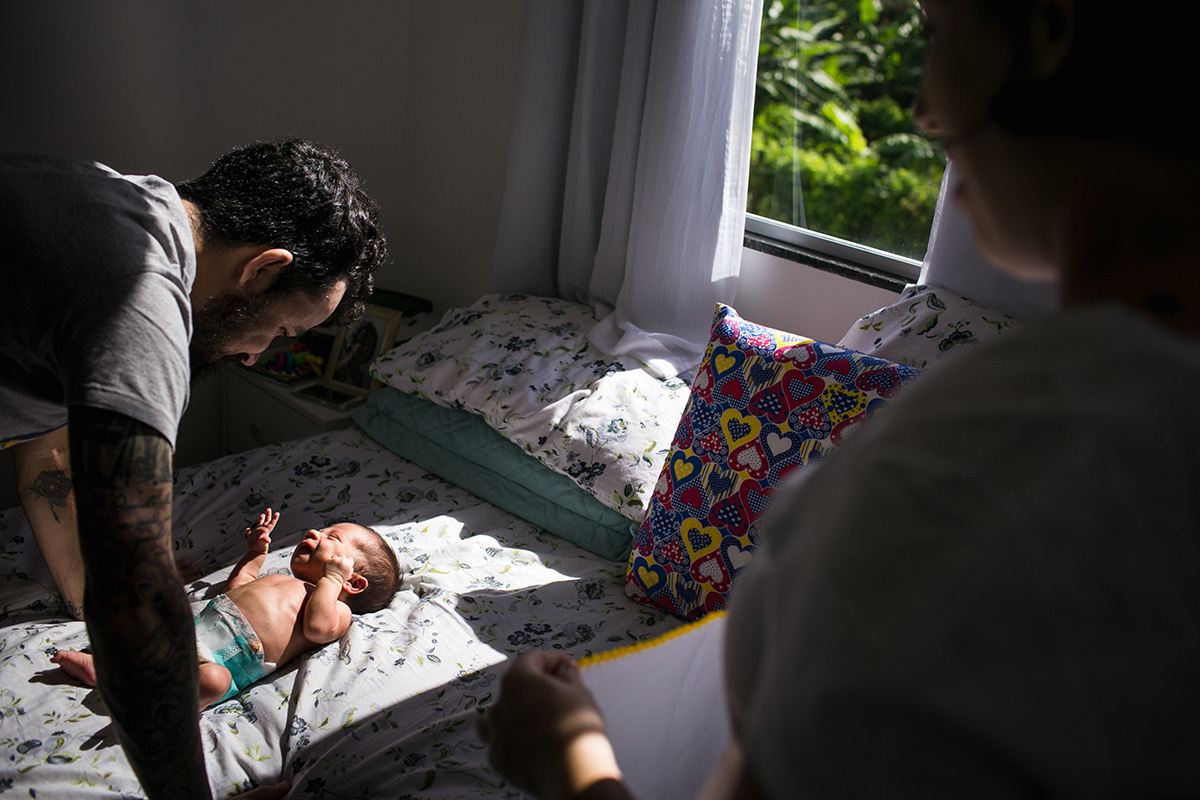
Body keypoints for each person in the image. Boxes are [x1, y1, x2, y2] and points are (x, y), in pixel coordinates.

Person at [476, 1, 1200, 797]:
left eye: (933, 28)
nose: (924, 111)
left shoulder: (974, 468)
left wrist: (569, 758)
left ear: (1051, 28)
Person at [1, 138, 386, 799]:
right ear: (263, 268)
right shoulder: (141, 306)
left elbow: (50, 446)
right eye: (281, 333)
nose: (254, 358)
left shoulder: (107, 188)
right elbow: (139, 608)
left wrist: (83, 590)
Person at [51, 508, 401, 709]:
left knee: (215, 683)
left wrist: (330, 582)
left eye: (332, 538)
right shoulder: (284, 580)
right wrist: (254, 556)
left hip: (224, 660)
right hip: (193, 627)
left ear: (352, 583)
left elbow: (318, 628)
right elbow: (237, 588)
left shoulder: (336, 611)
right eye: (323, 528)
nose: (315, 531)